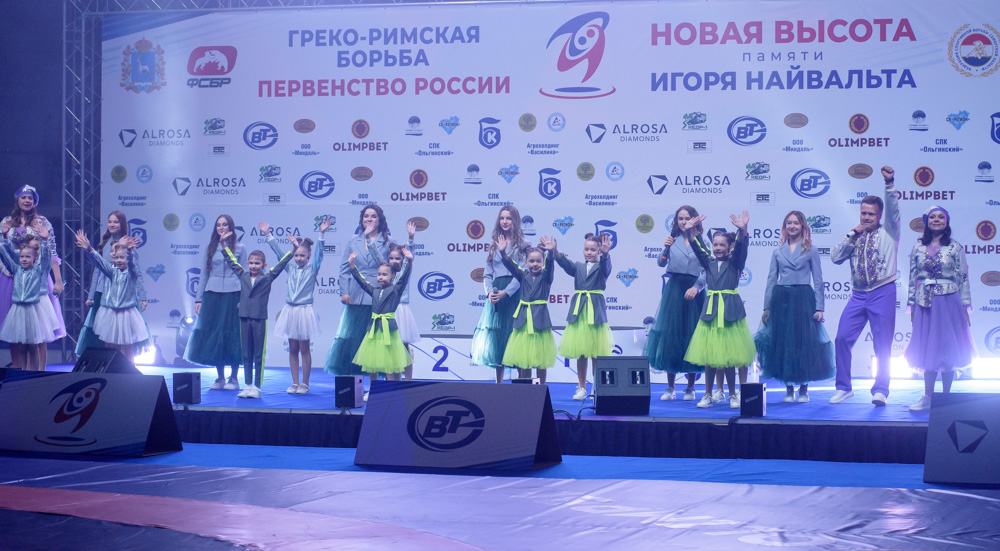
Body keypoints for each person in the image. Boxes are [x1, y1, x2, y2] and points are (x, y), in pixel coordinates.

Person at [830, 166, 900, 407]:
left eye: (871, 214)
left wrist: (889, 183)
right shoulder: (855, 236)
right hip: (858, 295)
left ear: (880, 216)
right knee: (842, 338)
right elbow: (835, 257)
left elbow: (893, 208)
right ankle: (843, 388)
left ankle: (881, 390)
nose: (866, 218)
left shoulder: (889, 231)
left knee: (882, 345)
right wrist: (851, 234)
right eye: (863, 213)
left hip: (883, 291)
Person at [326, 205, 408, 399]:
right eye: (366, 216)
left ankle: (378, 387)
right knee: (355, 341)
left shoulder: (389, 241)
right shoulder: (352, 240)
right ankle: (356, 387)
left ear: (380, 220)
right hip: (356, 294)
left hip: (380, 296)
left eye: (373, 216)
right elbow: (344, 268)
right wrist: (344, 291)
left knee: (379, 344)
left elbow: (393, 268)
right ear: (361, 219)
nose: (369, 219)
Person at [755, 211, 835, 403]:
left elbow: (818, 280)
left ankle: (804, 388)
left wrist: (820, 307)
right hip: (781, 300)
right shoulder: (777, 251)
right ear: (785, 227)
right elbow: (771, 280)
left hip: (803, 300)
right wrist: (767, 307)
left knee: (804, 343)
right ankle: (789, 388)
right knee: (784, 344)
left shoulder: (811, 250)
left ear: (803, 227)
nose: (792, 226)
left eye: (796, 223)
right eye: (789, 223)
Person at [904, 206, 976, 411]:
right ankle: (928, 396)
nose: (936, 220)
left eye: (940, 217)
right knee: (928, 348)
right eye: (932, 217)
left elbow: (963, 278)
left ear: (946, 221)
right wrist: (911, 305)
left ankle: (946, 399)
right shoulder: (917, 247)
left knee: (948, 348)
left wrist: (965, 307)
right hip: (924, 304)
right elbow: (912, 278)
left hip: (949, 302)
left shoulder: (955, 247)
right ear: (926, 222)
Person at [682, 211, 756, 409]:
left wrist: (743, 230)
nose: (718, 248)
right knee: (710, 357)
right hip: (711, 314)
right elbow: (698, 248)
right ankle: (708, 394)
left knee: (729, 357)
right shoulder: (709, 262)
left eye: (722, 245)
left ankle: (732, 395)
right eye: (715, 245)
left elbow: (742, 248)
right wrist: (690, 231)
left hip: (731, 313)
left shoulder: (735, 262)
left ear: (729, 247)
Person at [220, 228, 292, 399]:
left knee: (258, 354)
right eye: (251, 263)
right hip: (244, 318)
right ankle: (248, 385)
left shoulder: (267, 278)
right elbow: (231, 261)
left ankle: (257, 387)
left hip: (259, 319)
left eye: (257, 263)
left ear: (264, 266)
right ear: (247, 264)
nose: (253, 266)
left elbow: (281, 264)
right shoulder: (243, 275)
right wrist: (223, 245)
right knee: (246, 353)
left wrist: (293, 250)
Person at [646, 205, 708, 401]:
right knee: (671, 336)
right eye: (680, 218)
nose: (683, 222)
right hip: (674, 290)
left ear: (695, 219)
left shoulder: (702, 240)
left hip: (694, 292)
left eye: (687, 218)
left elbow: (708, 268)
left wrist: (697, 287)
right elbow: (661, 262)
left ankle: (691, 387)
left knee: (692, 336)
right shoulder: (672, 240)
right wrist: (665, 247)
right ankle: (670, 387)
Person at [0, 185, 67, 369]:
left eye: (30, 198)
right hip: (11, 276)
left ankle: (39, 372)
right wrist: (4, 235)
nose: (27, 200)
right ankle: (18, 369)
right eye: (23, 197)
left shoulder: (42, 222)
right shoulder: (7, 221)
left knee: (38, 329)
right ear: (17, 199)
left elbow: (51, 251)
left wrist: (58, 280)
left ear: (35, 201)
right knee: (16, 328)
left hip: (37, 277)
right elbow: (2, 250)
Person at [264, 218, 332, 394]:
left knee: (304, 348)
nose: (299, 258)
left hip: (304, 311)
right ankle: (294, 383)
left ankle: (305, 383)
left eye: (302, 255)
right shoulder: (290, 268)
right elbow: (280, 254)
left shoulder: (312, 269)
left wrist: (321, 234)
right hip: (290, 311)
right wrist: (269, 235)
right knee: (293, 348)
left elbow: (319, 255)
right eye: (296, 255)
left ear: (308, 256)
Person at [187, 214, 247, 390]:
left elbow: (243, 274)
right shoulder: (210, 247)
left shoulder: (240, 247)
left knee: (233, 334)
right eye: (218, 225)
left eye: (225, 224)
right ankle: (220, 377)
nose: (221, 227)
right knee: (213, 334)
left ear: (231, 227)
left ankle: (234, 378)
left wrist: (245, 298)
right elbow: (204, 274)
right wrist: (199, 298)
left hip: (233, 294)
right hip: (212, 295)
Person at [551, 233, 614, 400]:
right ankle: (581, 387)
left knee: (596, 353)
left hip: (595, 313)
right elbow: (566, 265)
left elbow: (606, 268)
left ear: (599, 251)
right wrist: (556, 252)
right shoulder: (578, 267)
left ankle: (596, 387)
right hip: (579, 313)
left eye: (593, 250)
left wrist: (606, 255)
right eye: (586, 249)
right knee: (581, 352)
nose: (589, 252)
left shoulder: (602, 266)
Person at [77, 211, 148, 355]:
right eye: (110, 221)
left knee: (125, 339)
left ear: (122, 224)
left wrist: (142, 297)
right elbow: (98, 268)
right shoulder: (105, 245)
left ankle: (127, 367)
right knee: (107, 336)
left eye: (116, 222)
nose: (112, 224)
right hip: (105, 294)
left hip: (124, 296)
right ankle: (107, 364)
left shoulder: (128, 246)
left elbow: (136, 271)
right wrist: (91, 295)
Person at [471, 206, 527, 383]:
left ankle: (521, 383)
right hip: (496, 296)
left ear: (515, 221)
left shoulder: (523, 245)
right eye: (502, 218)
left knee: (515, 334)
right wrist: (489, 292)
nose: (505, 221)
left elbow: (521, 274)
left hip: (514, 295)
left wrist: (506, 292)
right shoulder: (494, 245)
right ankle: (499, 384)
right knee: (497, 336)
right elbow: (487, 274)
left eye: (508, 218)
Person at [348, 247, 414, 380]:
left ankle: (390, 389)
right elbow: (362, 282)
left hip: (389, 331)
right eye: (379, 274)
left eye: (384, 274)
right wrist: (352, 266)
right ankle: (374, 389)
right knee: (371, 363)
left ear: (392, 277)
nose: (381, 277)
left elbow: (404, 279)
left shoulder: (396, 290)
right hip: (374, 331)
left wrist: (409, 263)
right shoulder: (375, 291)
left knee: (389, 363)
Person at [498, 235, 556, 382]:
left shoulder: (546, 277)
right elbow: (511, 266)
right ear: (526, 262)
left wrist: (550, 253)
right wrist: (503, 253)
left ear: (543, 262)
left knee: (541, 359)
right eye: (531, 261)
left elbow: (550, 265)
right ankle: (526, 388)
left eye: (538, 261)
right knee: (524, 358)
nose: (535, 264)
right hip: (523, 322)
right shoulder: (522, 275)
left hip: (540, 322)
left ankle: (541, 387)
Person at [387, 224, 419, 380]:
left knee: (404, 348)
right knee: (389, 349)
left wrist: (411, 238)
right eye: (391, 258)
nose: (394, 261)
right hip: (389, 312)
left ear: (403, 259)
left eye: (398, 258)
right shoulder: (386, 273)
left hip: (402, 311)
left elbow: (409, 258)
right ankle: (392, 382)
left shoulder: (406, 270)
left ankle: (408, 381)